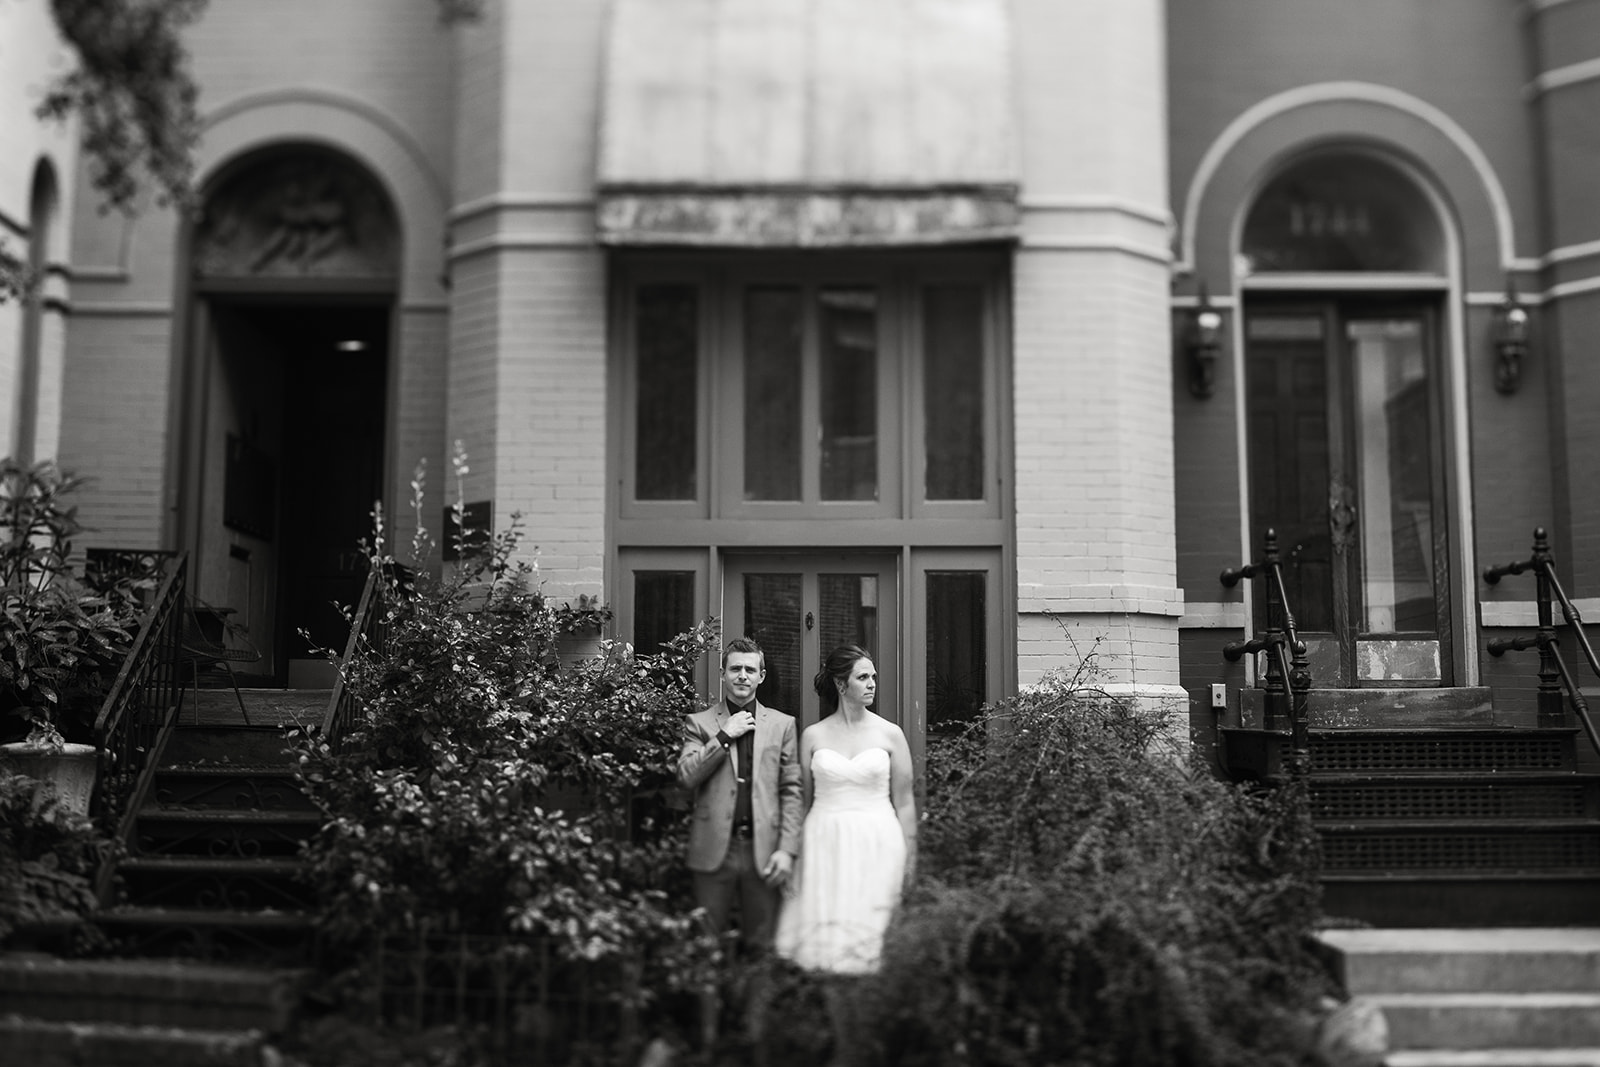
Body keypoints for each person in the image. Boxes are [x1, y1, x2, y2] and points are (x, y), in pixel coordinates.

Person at [775, 643, 916, 975]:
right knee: (827, 940)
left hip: (879, 841)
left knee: (873, 934)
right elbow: (803, 802)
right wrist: (792, 855)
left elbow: (906, 801)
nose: (871, 684)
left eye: (873, 677)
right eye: (862, 677)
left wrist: (911, 857)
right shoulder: (813, 736)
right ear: (841, 684)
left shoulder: (891, 734)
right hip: (825, 841)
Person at [677, 637, 803, 953]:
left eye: (750, 669)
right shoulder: (699, 723)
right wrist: (723, 735)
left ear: (762, 676)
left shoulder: (783, 725)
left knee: (762, 946)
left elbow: (791, 790)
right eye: (735, 669)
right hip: (715, 849)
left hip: (764, 851)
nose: (742, 676)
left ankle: (751, 1004)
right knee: (706, 944)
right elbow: (687, 776)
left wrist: (787, 850)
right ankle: (710, 1004)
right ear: (723, 674)